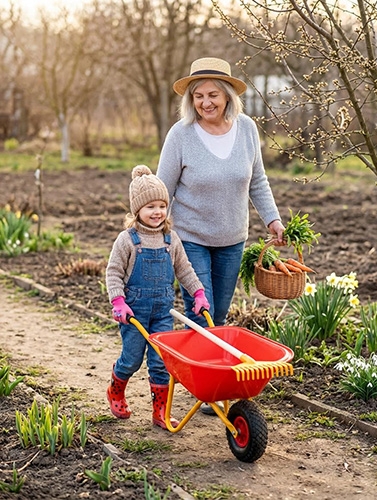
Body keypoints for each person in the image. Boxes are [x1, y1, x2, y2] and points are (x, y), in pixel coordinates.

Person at [157, 57, 286, 331]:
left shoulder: (247, 129)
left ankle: (211, 371)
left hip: (232, 239)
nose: (206, 103)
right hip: (190, 239)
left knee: (219, 317)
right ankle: (196, 373)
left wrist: (272, 219)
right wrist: (152, 233)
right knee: (200, 314)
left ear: (227, 96)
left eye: (213, 95)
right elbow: (162, 189)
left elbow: (258, 181)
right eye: (198, 96)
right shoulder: (180, 135)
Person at [105, 165, 209, 429]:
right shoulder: (127, 240)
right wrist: (118, 302)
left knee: (161, 362)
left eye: (162, 206)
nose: (157, 212)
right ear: (137, 210)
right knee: (132, 358)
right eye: (150, 207)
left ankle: (160, 412)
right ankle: (116, 389)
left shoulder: (170, 239)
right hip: (134, 313)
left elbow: (184, 268)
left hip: (163, 312)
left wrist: (198, 293)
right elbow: (114, 272)